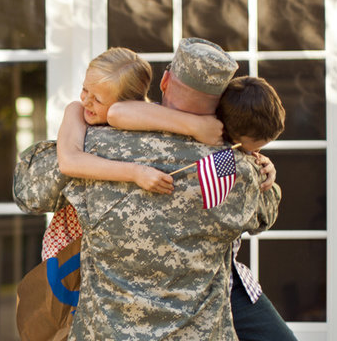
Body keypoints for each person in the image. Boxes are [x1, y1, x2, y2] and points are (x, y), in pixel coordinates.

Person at [26, 37, 281, 340]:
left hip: (109, 330)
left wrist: (73, 123)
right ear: (220, 100)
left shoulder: (92, 144)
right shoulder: (232, 165)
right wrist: (265, 176)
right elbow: (266, 211)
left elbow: (29, 190)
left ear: (164, 81)